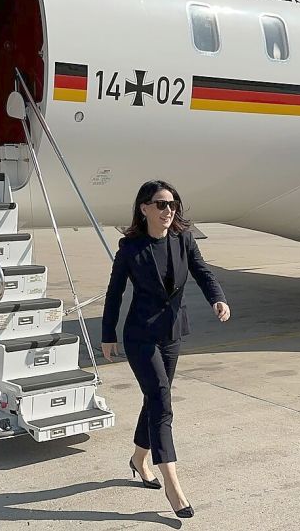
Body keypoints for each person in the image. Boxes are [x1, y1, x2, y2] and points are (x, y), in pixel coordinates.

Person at [101, 180, 230, 519]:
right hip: (140, 334)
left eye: (172, 204)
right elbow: (114, 293)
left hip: (172, 333)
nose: (168, 210)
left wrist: (217, 297)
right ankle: (173, 483)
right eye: (160, 204)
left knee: (155, 398)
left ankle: (139, 459)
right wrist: (107, 334)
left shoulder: (183, 238)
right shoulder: (130, 248)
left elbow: (202, 271)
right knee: (161, 398)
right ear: (144, 208)